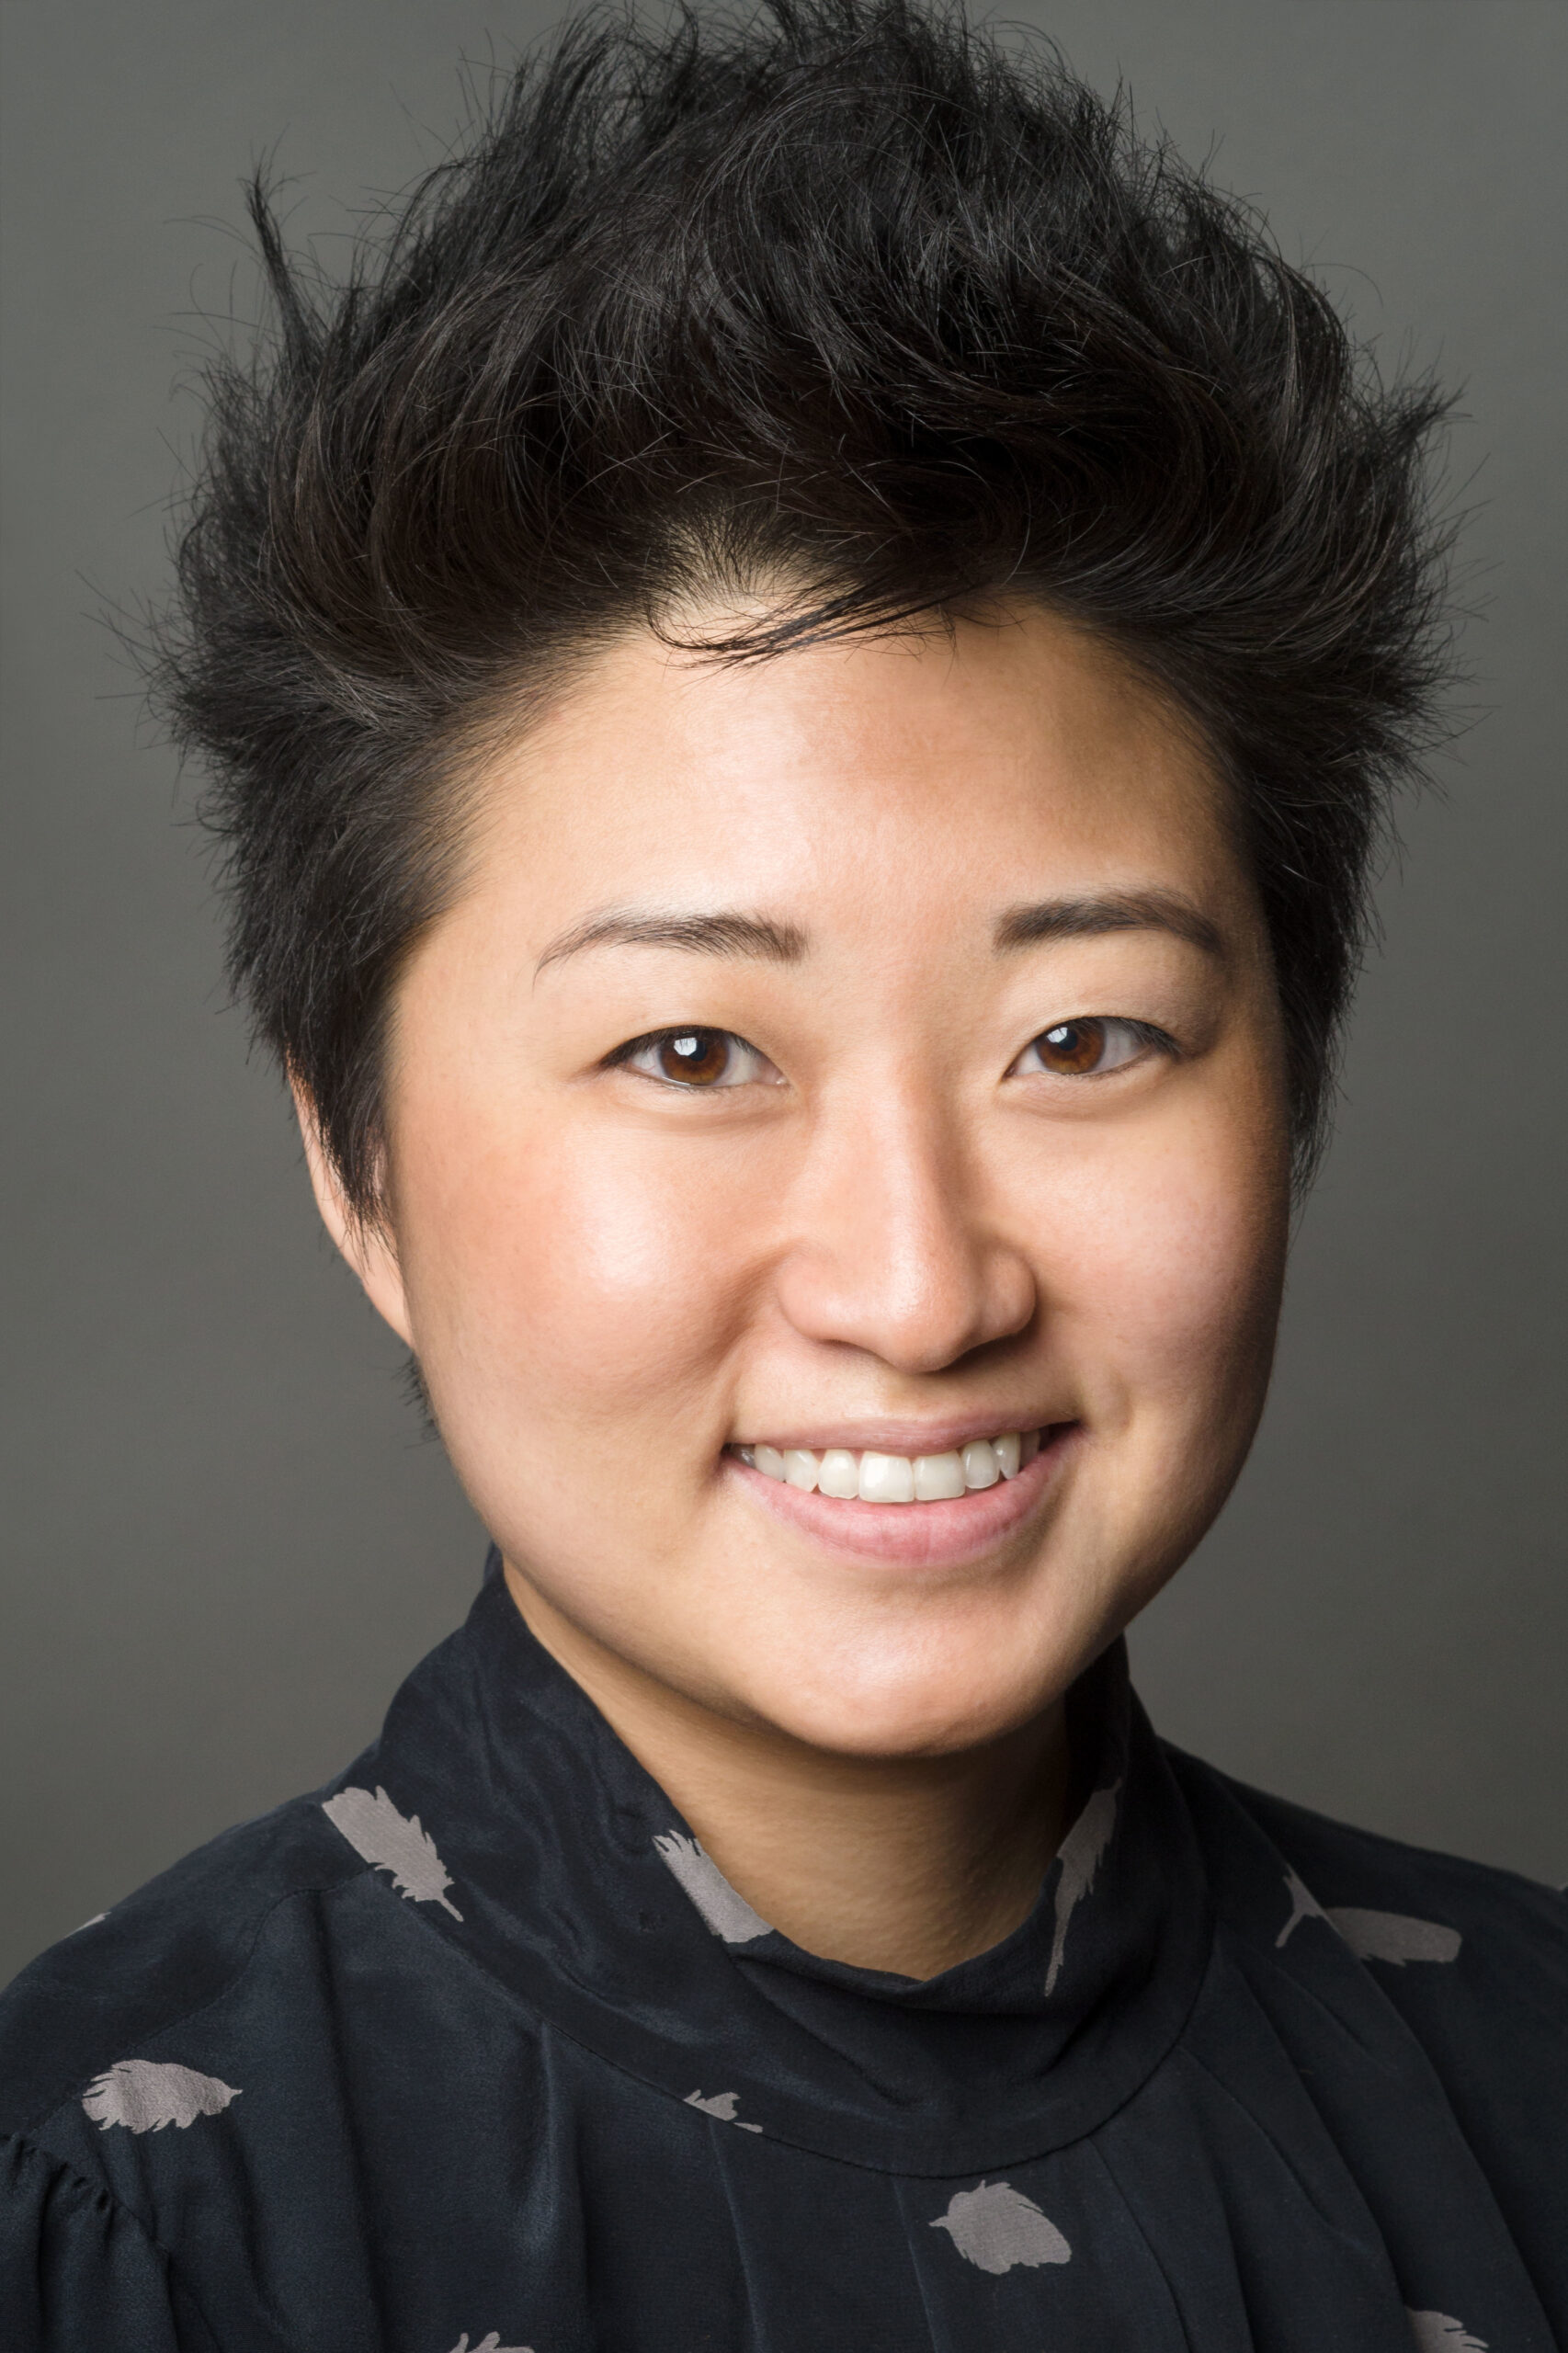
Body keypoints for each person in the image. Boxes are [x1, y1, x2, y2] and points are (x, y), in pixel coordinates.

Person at [2, 3, 1562, 2345]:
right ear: (354, 1156)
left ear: (1295, 1076)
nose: (920, 1288)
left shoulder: (1527, 2092)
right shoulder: (104, 2223)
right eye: (693, 1043)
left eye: (1085, 1035)